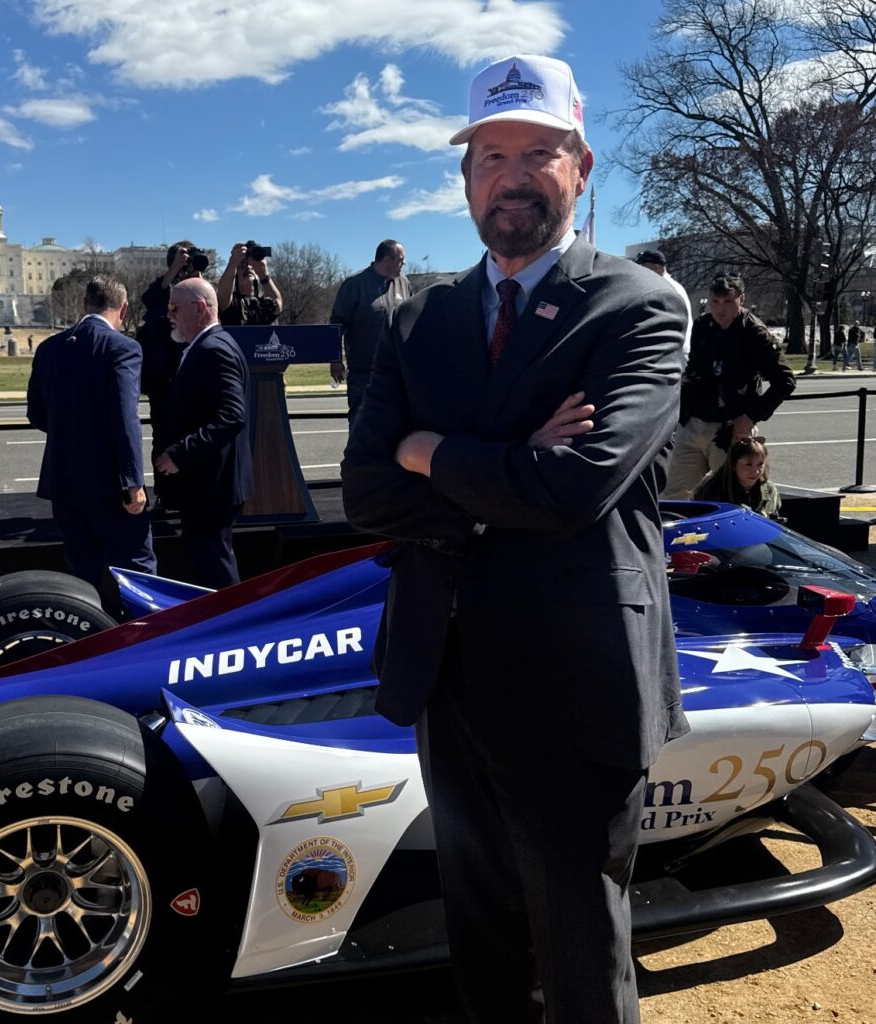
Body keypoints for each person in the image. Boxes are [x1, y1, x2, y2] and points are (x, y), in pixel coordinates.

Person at [342, 53, 689, 1024]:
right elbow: (366, 491)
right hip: (449, 670)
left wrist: (432, 451)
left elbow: (576, 486)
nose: (513, 175)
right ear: (466, 180)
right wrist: (510, 462)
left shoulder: (638, 305)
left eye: (538, 152)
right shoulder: (421, 320)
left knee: (579, 950)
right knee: (482, 939)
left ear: (581, 166)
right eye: (491, 155)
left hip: (577, 679)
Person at [26, 275, 156, 595]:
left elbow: (36, 414)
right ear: (123, 309)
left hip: (64, 482)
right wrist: (133, 481)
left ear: (85, 304)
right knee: (137, 570)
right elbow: (125, 418)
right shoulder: (123, 348)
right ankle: (141, 628)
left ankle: (88, 626)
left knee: (81, 574)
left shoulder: (49, 348)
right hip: (109, 484)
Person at [154, 278, 253, 589]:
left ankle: (232, 617)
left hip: (211, 485)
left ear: (200, 308)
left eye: (174, 307)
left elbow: (232, 415)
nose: (168, 314)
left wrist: (180, 454)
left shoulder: (214, 349)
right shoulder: (203, 346)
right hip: (207, 484)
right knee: (209, 561)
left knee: (215, 566)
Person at [662, 273, 795, 500]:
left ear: (741, 299)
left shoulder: (754, 333)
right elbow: (694, 369)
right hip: (693, 422)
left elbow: (785, 381)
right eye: (715, 302)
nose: (720, 309)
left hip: (731, 427)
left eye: (728, 302)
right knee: (672, 494)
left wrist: (750, 417)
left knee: (731, 495)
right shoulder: (703, 325)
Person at [137, 241, 206, 504]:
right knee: (164, 438)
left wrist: (197, 275)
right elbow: (150, 300)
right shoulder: (163, 291)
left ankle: (194, 492)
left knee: (196, 436)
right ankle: (165, 495)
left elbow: (213, 308)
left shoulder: (200, 288)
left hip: (195, 377)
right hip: (164, 379)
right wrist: (175, 270)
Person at [329, 239, 412, 425]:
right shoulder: (355, 285)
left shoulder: (404, 283)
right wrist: (335, 360)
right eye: (401, 260)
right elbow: (336, 325)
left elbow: (410, 319)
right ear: (387, 259)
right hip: (364, 372)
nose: (403, 264)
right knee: (361, 424)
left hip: (397, 371)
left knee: (398, 425)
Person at [693, 436, 781, 517]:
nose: (756, 471)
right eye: (748, 465)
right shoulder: (712, 491)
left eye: (760, 464)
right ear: (733, 465)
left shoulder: (769, 490)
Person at [633, 249, 692, 354]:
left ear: (659, 268)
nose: (640, 271)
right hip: (673, 351)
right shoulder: (668, 286)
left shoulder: (667, 288)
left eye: (644, 267)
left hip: (674, 353)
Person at [217, 241, 283, 327]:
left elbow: (277, 306)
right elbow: (222, 296)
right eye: (243, 264)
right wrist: (233, 262)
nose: (248, 267)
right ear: (236, 274)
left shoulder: (265, 302)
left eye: (252, 265)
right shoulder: (232, 303)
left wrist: (264, 275)